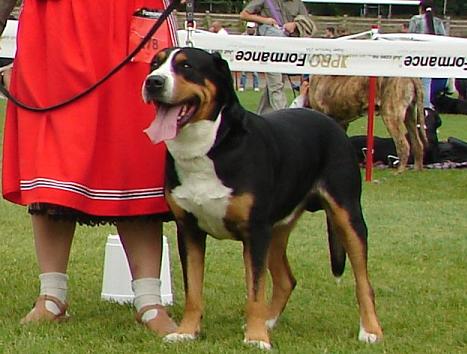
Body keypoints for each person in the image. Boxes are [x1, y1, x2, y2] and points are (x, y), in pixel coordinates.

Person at [0, 0, 177, 336]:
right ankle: (51, 295)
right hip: (54, 23)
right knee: (52, 158)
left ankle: (149, 299)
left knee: (133, 155)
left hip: (132, 14)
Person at [240, 0, 309, 114]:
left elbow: (308, 22)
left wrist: (295, 24)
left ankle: (260, 117)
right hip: (270, 50)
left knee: (274, 86)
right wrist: (265, 20)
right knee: (276, 85)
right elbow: (244, 14)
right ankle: (285, 118)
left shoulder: (297, 3)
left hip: (287, 50)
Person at [409, 0, 446, 110]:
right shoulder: (438, 22)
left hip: (416, 55)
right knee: (426, 84)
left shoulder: (415, 20)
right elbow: (443, 39)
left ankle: (412, 106)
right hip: (430, 56)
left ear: (421, 8)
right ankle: (425, 108)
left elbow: (411, 37)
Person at [239, 22, 260, 92]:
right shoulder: (243, 36)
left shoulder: (257, 36)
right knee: (243, 73)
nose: (250, 29)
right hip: (245, 56)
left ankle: (256, 86)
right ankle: (242, 86)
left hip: (254, 56)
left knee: (255, 73)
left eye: (251, 28)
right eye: (249, 28)